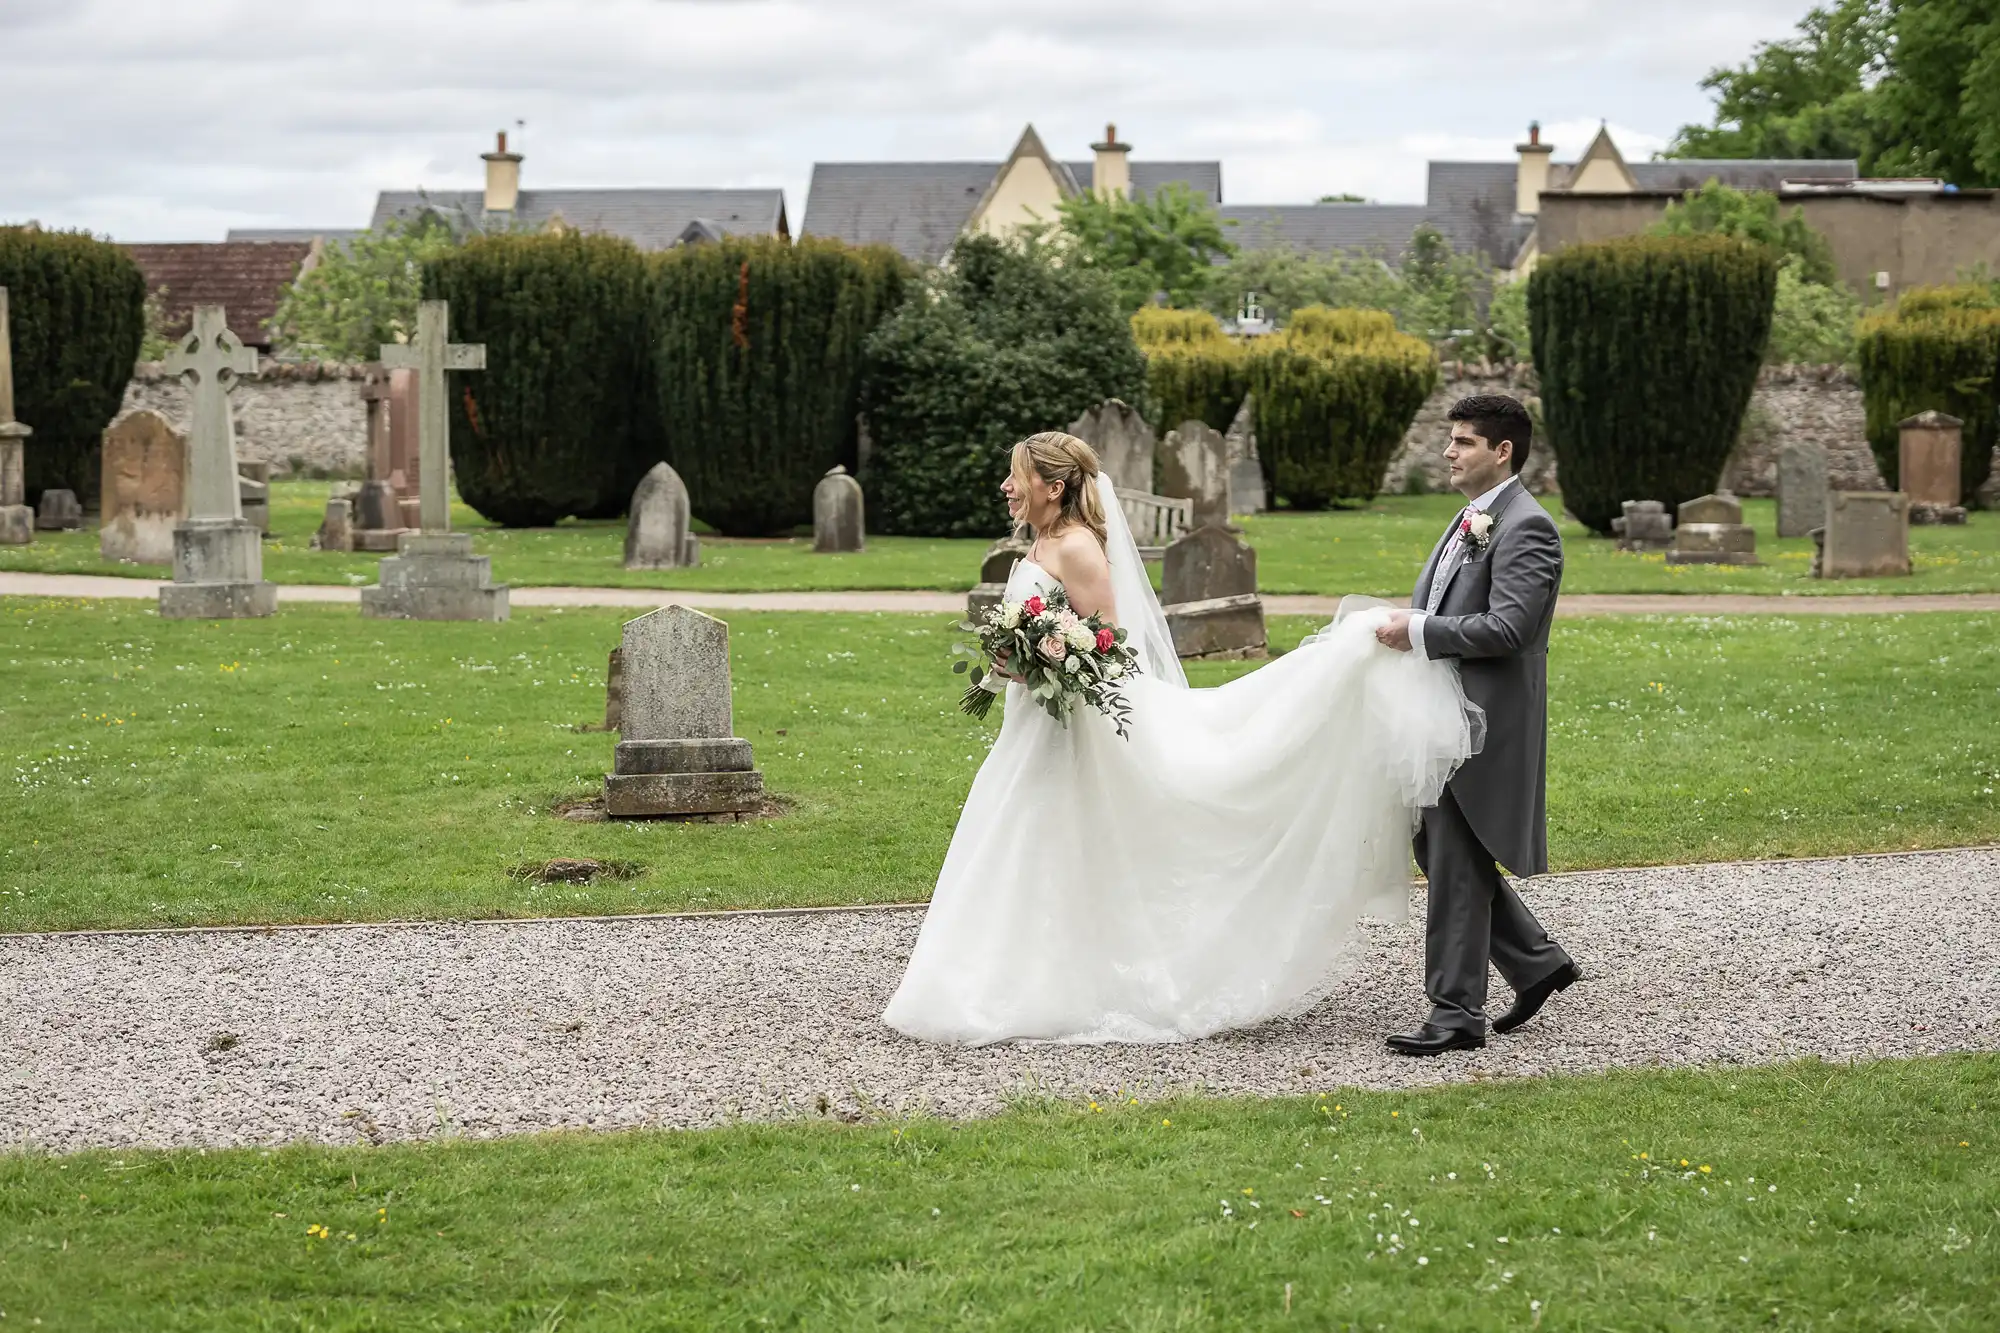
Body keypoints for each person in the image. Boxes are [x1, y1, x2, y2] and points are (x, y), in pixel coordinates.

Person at [882, 430, 1483, 1046]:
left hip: (1070, 726)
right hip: (1034, 723)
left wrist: (1040, 654)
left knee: (1056, 830)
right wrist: (1013, 657)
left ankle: (1059, 983)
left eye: (1016, 477)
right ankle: (999, 975)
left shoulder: (1079, 547)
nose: (1006, 487)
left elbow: (1107, 645)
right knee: (1024, 833)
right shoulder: (1041, 541)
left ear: (1053, 486)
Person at [1372, 394, 1579, 1056]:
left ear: (1502, 451)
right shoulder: (1474, 517)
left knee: (1455, 861)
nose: (1447, 452)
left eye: (1461, 441)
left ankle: (1455, 1012)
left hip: (1483, 726)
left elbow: (1511, 628)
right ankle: (1537, 961)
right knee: (1438, 850)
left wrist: (1419, 631)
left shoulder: (1528, 527)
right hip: (1443, 717)